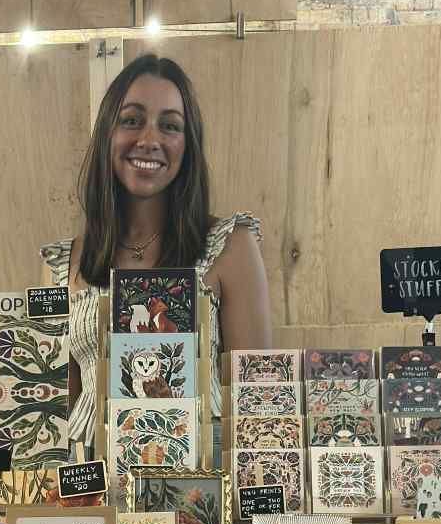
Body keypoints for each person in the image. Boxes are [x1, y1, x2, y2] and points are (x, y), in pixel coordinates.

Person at [42, 54, 271, 452]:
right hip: (91, 491)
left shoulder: (230, 246)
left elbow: (262, 401)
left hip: (200, 487)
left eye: (170, 125)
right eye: (131, 120)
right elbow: (51, 412)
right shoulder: (62, 266)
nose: (149, 139)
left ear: (188, 143)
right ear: (107, 135)